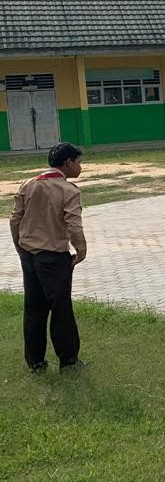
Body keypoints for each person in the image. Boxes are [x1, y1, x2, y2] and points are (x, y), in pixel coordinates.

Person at [10, 142, 87, 373]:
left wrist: (20, 246)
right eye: (78, 162)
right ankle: (69, 361)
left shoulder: (29, 184)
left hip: (29, 256)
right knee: (61, 308)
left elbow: (15, 219)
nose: (80, 167)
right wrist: (81, 249)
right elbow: (74, 225)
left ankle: (35, 362)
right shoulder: (68, 190)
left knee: (34, 309)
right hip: (54, 257)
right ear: (67, 163)